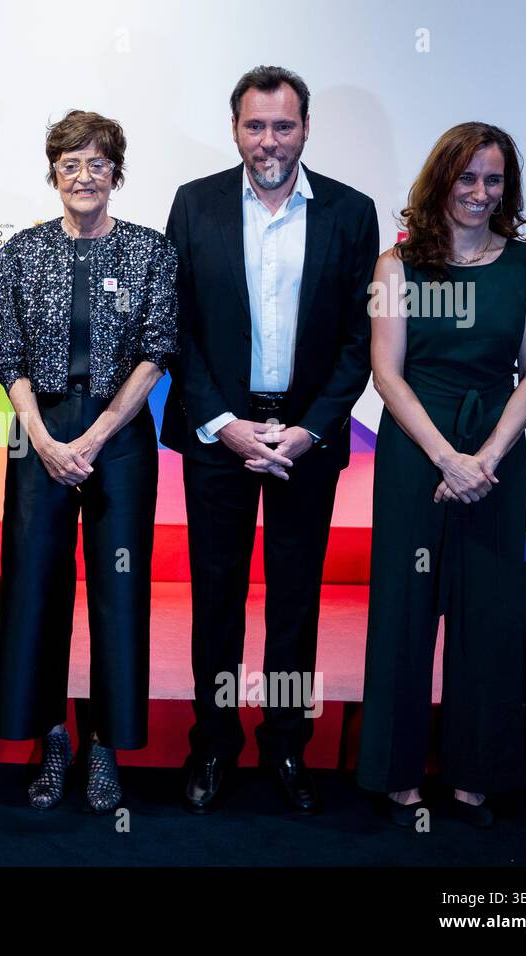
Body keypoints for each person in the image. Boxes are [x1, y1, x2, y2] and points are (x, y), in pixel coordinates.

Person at [162, 66, 379, 815]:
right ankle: (214, 746)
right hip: (220, 433)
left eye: (283, 126)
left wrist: (311, 427)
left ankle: (287, 747)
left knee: (295, 601)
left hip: (306, 439)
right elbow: (176, 329)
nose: (269, 141)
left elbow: (360, 340)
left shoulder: (352, 213)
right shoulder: (195, 205)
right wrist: (224, 424)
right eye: (255, 126)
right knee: (216, 600)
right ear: (235, 130)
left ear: (306, 128)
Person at [357, 123, 526, 828]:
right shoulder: (394, 265)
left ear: (507, 190)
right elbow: (386, 372)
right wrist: (446, 458)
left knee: (488, 613)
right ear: (441, 181)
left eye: (493, 180)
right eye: (466, 178)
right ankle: (396, 771)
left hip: (496, 452)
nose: (479, 192)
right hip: (417, 450)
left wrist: (486, 459)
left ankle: (478, 773)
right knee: (405, 612)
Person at [0, 110, 177, 812]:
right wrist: (40, 435)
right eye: (70, 162)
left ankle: (104, 748)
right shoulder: (21, 251)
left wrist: (94, 438)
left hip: (119, 438)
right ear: (53, 173)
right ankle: (50, 740)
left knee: (119, 596)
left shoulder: (151, 251)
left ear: (117, 174)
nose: (84, 175)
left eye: (98, 163)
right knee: (35, 592)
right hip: (38, 437)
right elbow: (8, 355)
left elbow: (157, 351)